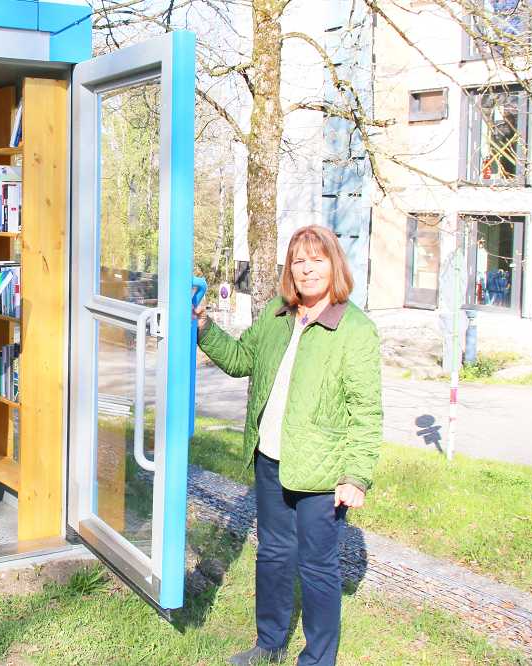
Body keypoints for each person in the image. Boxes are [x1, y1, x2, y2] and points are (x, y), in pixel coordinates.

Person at [193, 225, 382, 666]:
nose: (307, 269)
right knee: (274, 555)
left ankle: (318, 659)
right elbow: (241, 360)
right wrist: (203, 325)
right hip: (270, 460)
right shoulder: (278, 316)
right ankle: (269, 644)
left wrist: (356, 476)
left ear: (333, 264)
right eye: (299, 261)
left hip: (321, 472)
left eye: (316, 260)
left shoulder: (355, 329)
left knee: (318, 569)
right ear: (290, 271)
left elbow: (366, 412)